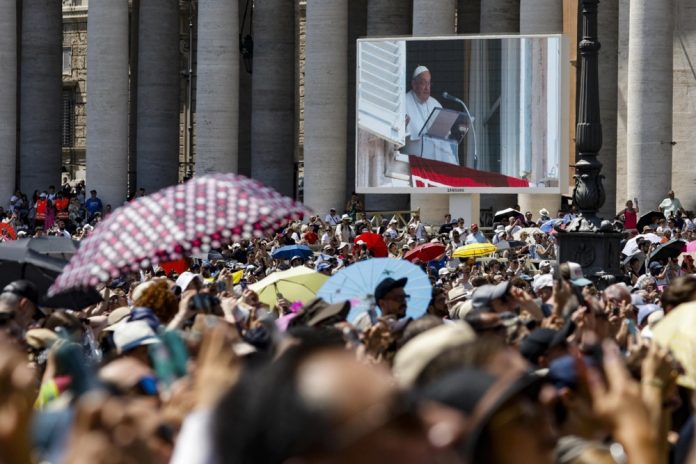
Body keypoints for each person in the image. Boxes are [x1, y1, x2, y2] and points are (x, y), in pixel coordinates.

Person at [404, 66, 459, 165]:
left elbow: (445, 140)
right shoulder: (404, 102)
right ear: (414, 84)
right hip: (413, 164)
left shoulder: (436, 104)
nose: (427, 88)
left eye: (429, 83)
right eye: (423, 83)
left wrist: (454, 166)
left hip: (435, 164)